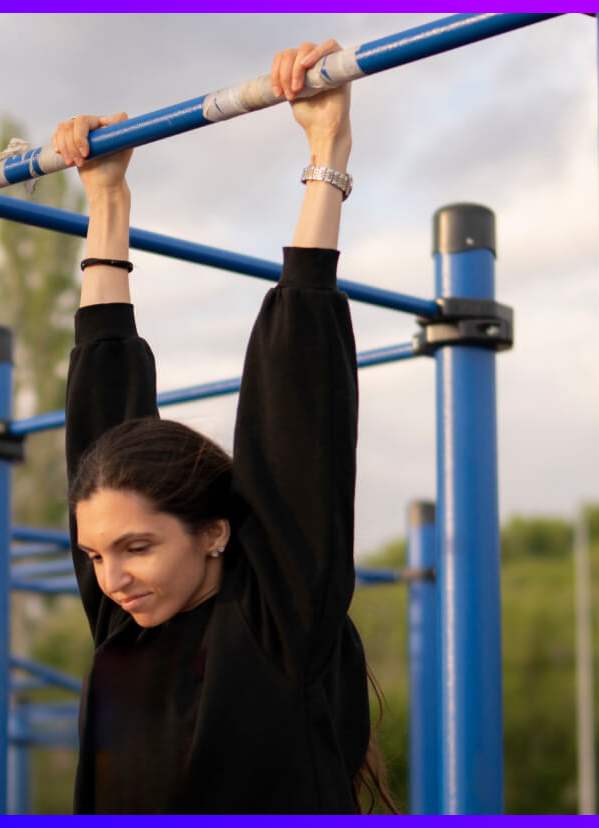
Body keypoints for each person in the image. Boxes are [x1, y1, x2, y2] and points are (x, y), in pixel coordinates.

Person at [57, 39, 394, 815]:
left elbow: (299, 399)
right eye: (96, 555)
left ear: (214, 531)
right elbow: (100, 416)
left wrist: (326, 150)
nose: (111, 578)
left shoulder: (276, 619)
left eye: (136, 547)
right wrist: (106, 200)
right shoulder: (126, 622)